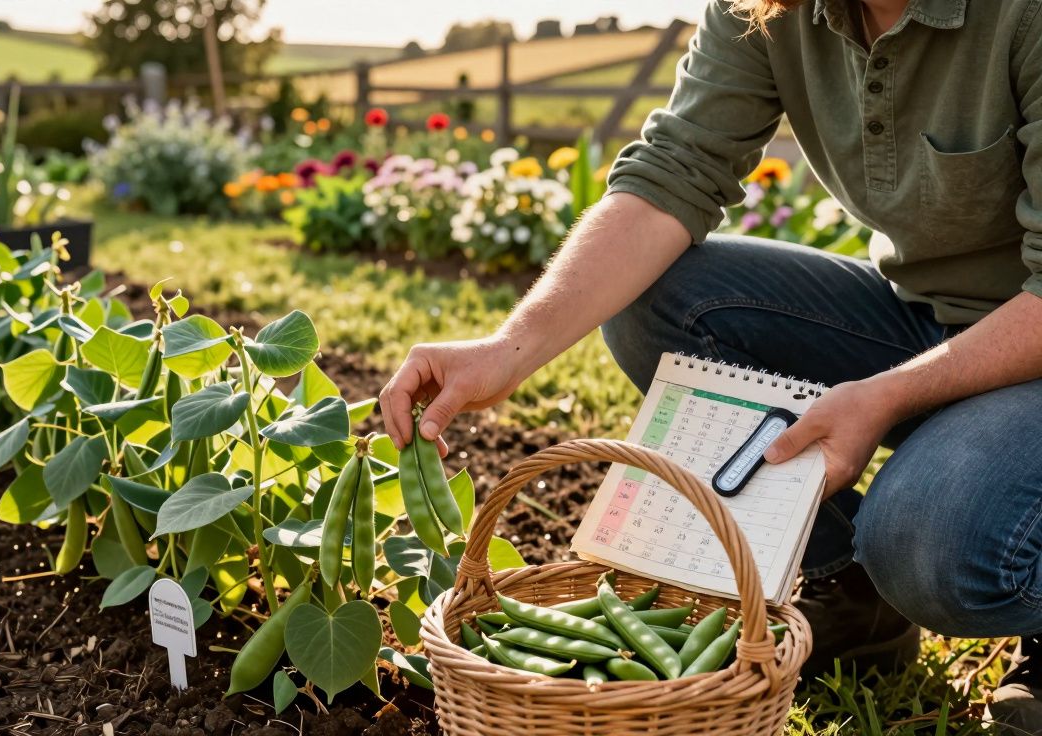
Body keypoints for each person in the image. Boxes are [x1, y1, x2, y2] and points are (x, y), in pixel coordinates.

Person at [378, 0, 1042, 728]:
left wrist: (884, 396)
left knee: (929, 541)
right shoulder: (771, 7)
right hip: (931, 316)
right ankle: (848, 600)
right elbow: (673, 171)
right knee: (659, 299)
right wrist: (507, 350)